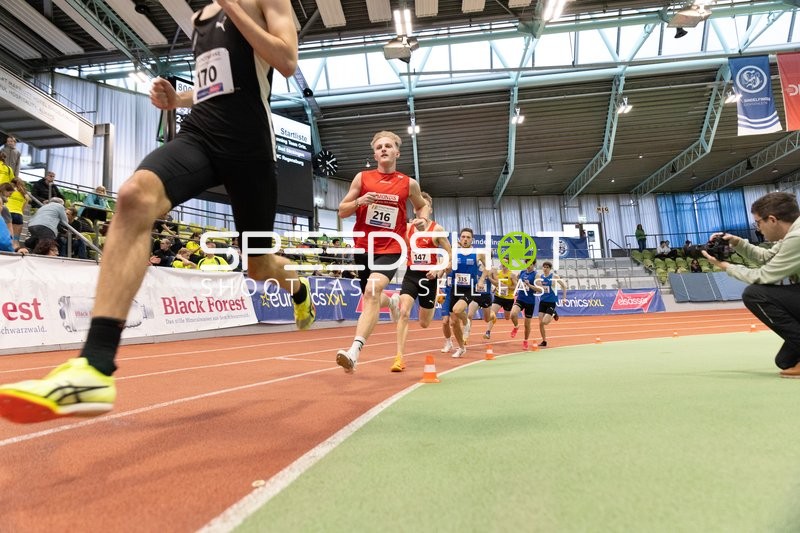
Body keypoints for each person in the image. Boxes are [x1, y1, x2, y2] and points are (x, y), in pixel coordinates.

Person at [0, 0, 315, 424]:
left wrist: (234, 8)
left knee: (258, 267)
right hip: (201, 134)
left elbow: (287, 60)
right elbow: (215, 87)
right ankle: (94, 365)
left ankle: (296, 287)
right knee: (133, 197)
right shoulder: (199, 19)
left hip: (250, 151)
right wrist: (177, 98)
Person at [335, 130, 428, 373]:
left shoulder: (408, 183)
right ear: (375, 154)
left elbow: (422, 205)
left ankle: (354, 351)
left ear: (397, 152)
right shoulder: (362, 178)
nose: (384, 149)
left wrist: (422, 219)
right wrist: (359, 202)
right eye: (379, 147)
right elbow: (341, 210)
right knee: (372, 297)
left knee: (371, 289)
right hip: (364, 247)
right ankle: (393, 302)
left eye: (388, 146)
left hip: (392, 245)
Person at [702, 192, 800, 378]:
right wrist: (737, 242)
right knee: (786, 361)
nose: (758, 229)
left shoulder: (797, 237)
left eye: (758, 223)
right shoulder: (792, 234)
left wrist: (725, 266)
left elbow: (764, 276)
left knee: (755, 294)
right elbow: (765, 257)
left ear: (772, 220)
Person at [392, 192, 451, 372]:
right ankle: (399, 358)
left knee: (424, 323)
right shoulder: (407, 227)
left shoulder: (437, 229)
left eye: (424, 206)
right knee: (403, 313)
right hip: (411, 275)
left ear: (430, 209)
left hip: (429, 279)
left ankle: (427, 305)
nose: (421, 210)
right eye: (418, 207)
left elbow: (450, 255)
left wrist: (439, 269)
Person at [447, 228, 490, 359]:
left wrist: (482, 280)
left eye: (468, 237)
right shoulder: (454, 252)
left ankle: (466, 322)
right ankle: (461, 348)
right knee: (453, 323)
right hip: (455, 287)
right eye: (463, 237)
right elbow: (446, 265)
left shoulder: (478, 253)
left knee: (457, 310)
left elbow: (488, 266)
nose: (465, 239)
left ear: (472, 239)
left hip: (470, 288)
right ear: (460, 238)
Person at [534, 261, 567, 347]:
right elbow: (539, 288)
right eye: (544, 267)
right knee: (541, 323)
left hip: (551, 302)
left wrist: (564, 298)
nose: (545, 269)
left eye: (547, 267)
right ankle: (544, 341)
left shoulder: (554, 277)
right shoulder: (540, 277)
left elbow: (564, 286)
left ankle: (553, 313)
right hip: (542, 301)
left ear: (550, 268)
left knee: (545, 322)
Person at [485, 263, 519, 339]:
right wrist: (490, 278)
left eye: (506, 263)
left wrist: (506, 287)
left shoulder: (512, 275)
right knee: (492, 313)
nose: (503, 265)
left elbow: (516, 287)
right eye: (502, 263)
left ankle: (516, 326)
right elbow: (496, 284)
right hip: (498, 296)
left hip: (508, 299)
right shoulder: (498, 274)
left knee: (507, 317)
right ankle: (488, 332)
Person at [510, 260, 538, 350]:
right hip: (521, 299)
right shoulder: (522, 272)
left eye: (530, 264)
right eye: (527, 264)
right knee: (513, 314)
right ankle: (516, 326)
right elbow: (517, 281)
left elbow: (539, 289)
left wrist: (529, 285)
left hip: (530, 302)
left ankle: (525, 340)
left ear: (534, 265)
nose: (528, 266)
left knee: (527, 325)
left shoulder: (536, 275)